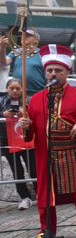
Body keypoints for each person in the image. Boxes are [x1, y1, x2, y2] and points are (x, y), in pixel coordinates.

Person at [18, 45, 76, 238]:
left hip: (74, 152)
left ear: (67, 73)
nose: (53, 73)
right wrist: (27, 126)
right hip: (47, 153)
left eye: (58, 70)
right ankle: (46, 230)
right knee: (45, 193)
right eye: (49, 70)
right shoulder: (36, 98)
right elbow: (32, 127)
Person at [0, 78, 35, 209]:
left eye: (18, 88)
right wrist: (3, 114)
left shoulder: (30, 100)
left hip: (26, 138)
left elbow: (37, 115)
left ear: (23, 89)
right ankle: (24, 197)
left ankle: (40, 193)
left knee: (33, 168)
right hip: (7, 139)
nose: (14, 91)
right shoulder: (1, 101)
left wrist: (25, 115)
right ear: (7, 89)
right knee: (16, 169)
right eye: (11, 88)